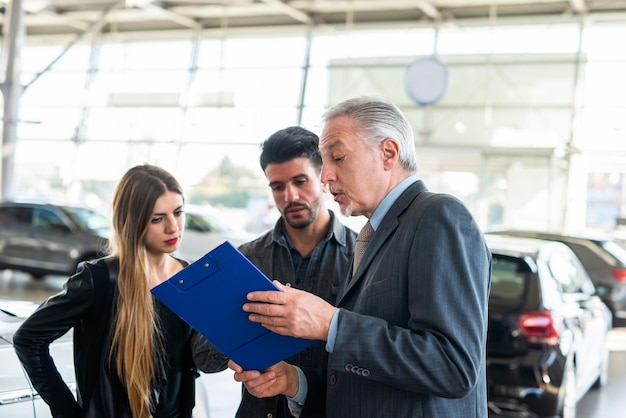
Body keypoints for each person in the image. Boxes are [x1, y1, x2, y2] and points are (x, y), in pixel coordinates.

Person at [232, 97, 492, 417]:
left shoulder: (438, 216)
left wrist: (330, 324)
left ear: (388, 154)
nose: (326, 175)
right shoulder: (372, 239)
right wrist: (293, 382)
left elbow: (452, 367)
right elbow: (367, 382)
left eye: (338, 157)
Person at [192, 126, 357, 418]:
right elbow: (203, 358)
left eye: (300, 181)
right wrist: (237, 326)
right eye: (278, 186)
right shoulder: (246, 259)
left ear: (323, 177)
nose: (290, 195)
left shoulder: (361, 258)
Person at [13, 164, 200, 418]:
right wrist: (67, 411)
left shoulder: (190, 278)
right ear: (133, 222)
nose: (173, 227)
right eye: (158, 218)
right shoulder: (100, 279)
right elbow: (28, 339)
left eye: (178, 212)